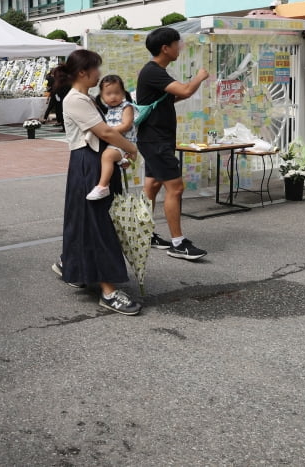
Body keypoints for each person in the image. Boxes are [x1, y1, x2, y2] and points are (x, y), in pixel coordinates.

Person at [50, 49, 142, 315]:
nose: (99, 74)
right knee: (98, 224)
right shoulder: (76, 99)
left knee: (85, 220)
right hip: (87, 162)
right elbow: (103, 131)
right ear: (83, 72)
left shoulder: (84, 97)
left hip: (90, 162)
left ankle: (74, 266)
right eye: (96, 69)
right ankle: (108, 291)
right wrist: (132, 149)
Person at [136, 27, 210, 261]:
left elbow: (177, 96)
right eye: (177, 44)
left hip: (156, 139)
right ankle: (178, 243)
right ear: (165, 48)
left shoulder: (157, 72)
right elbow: (187, 90)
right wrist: (199, 76)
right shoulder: (153, 71)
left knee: (153, 185)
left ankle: (144, 232)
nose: (180, 48)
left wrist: (189, 86)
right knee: (175, 188)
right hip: (155, 140)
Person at [86, 75, 136, 201]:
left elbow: (126, 125)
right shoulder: (108, 109)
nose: (113, 96)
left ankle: (103, 186)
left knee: (107, 156)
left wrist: (107, 131)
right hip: (114, 143)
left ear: (123, 93)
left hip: (124, 143)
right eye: (108, 94)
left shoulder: (127, 107)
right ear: (102, 96)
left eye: (117, 93)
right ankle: (122, 161)